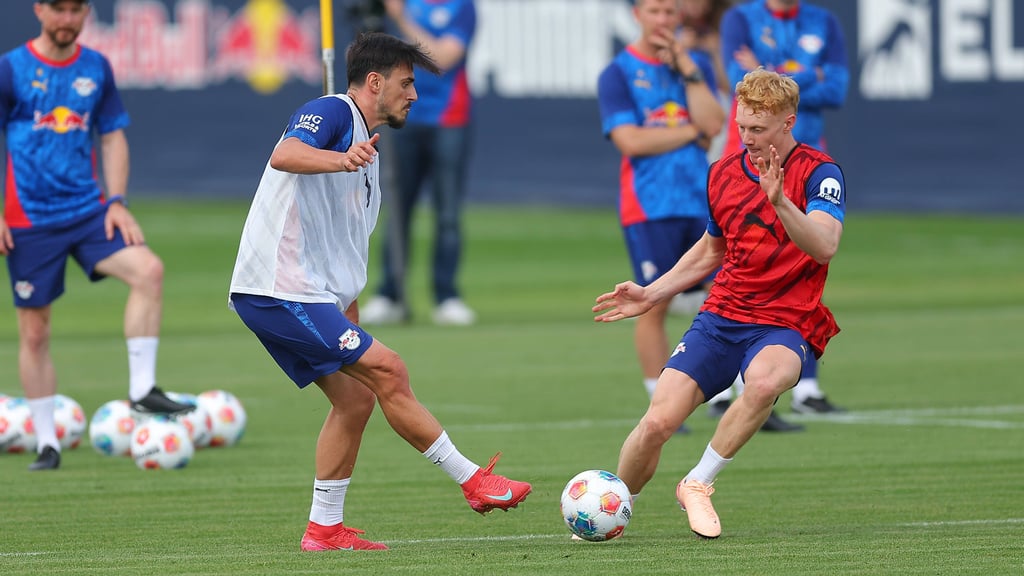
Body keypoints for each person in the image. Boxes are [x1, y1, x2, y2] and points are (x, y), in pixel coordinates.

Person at [228, 32, 531, 552]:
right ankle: (474, 482)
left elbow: (339, 262)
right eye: (406, 82)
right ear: (375, 82)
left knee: (358, 399)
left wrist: (350, 326)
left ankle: (324, 529)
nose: (414, 94)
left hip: (310, 295)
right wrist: (338, 159)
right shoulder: (333, 111)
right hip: (277, 289)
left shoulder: (369, 165)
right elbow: (285, 153)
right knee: (390, 369)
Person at [593, 68, 846, 539]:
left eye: (758, 129)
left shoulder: (820, 173)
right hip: (723, 315)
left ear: (788, 124)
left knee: (766, 381)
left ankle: (698, 482)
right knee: (655, 424)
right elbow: (712, 250)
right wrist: (652, 294)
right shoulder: (723, 174)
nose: (746, 138)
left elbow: (824, 246)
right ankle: (612, 510)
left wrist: (782, 202)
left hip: (786, 321)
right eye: (742, 126)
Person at [0, 0, 193, 472]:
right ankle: (47, 444)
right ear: (39, 10)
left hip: (88, 212)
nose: (68, 19)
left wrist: (117, 200)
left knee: (149, 270)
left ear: (87, 12)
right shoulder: (11, 69)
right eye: (59, 9)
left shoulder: (96, 67)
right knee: (36, 330)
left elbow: (112, 136)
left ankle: (142, 390)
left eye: (76, 10)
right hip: (28, 219)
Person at [711, 0, 850, 416]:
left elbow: (837, 90)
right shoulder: (741, 18)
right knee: (743, 257)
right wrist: (809, 76)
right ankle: (733, 381)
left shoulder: (823, 22)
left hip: (804, 164)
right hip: (750, 168)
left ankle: (805, 386)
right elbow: (747, 90)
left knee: (805, 265)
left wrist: (771, 71)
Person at [597, 0, 725, 433]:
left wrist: (688, 68)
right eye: (654, 11)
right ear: (638, 15)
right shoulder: (618, 72)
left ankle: (725, 398)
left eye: (670, 12)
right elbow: (631, 140)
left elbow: (716, 121)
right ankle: (661, 402)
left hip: (703, 199)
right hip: (650, 204)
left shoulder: (695, 68)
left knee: (726, 296)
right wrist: (691, 132)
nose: (663, 21)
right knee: (653, 302)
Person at [359, 0, 478, 326]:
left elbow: (442, 58)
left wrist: (401, 17)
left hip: (449, 119)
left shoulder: (461, 7)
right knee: (397, 207)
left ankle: (446, 296)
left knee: (448, 213)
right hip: (402, 118)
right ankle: (390, 293)